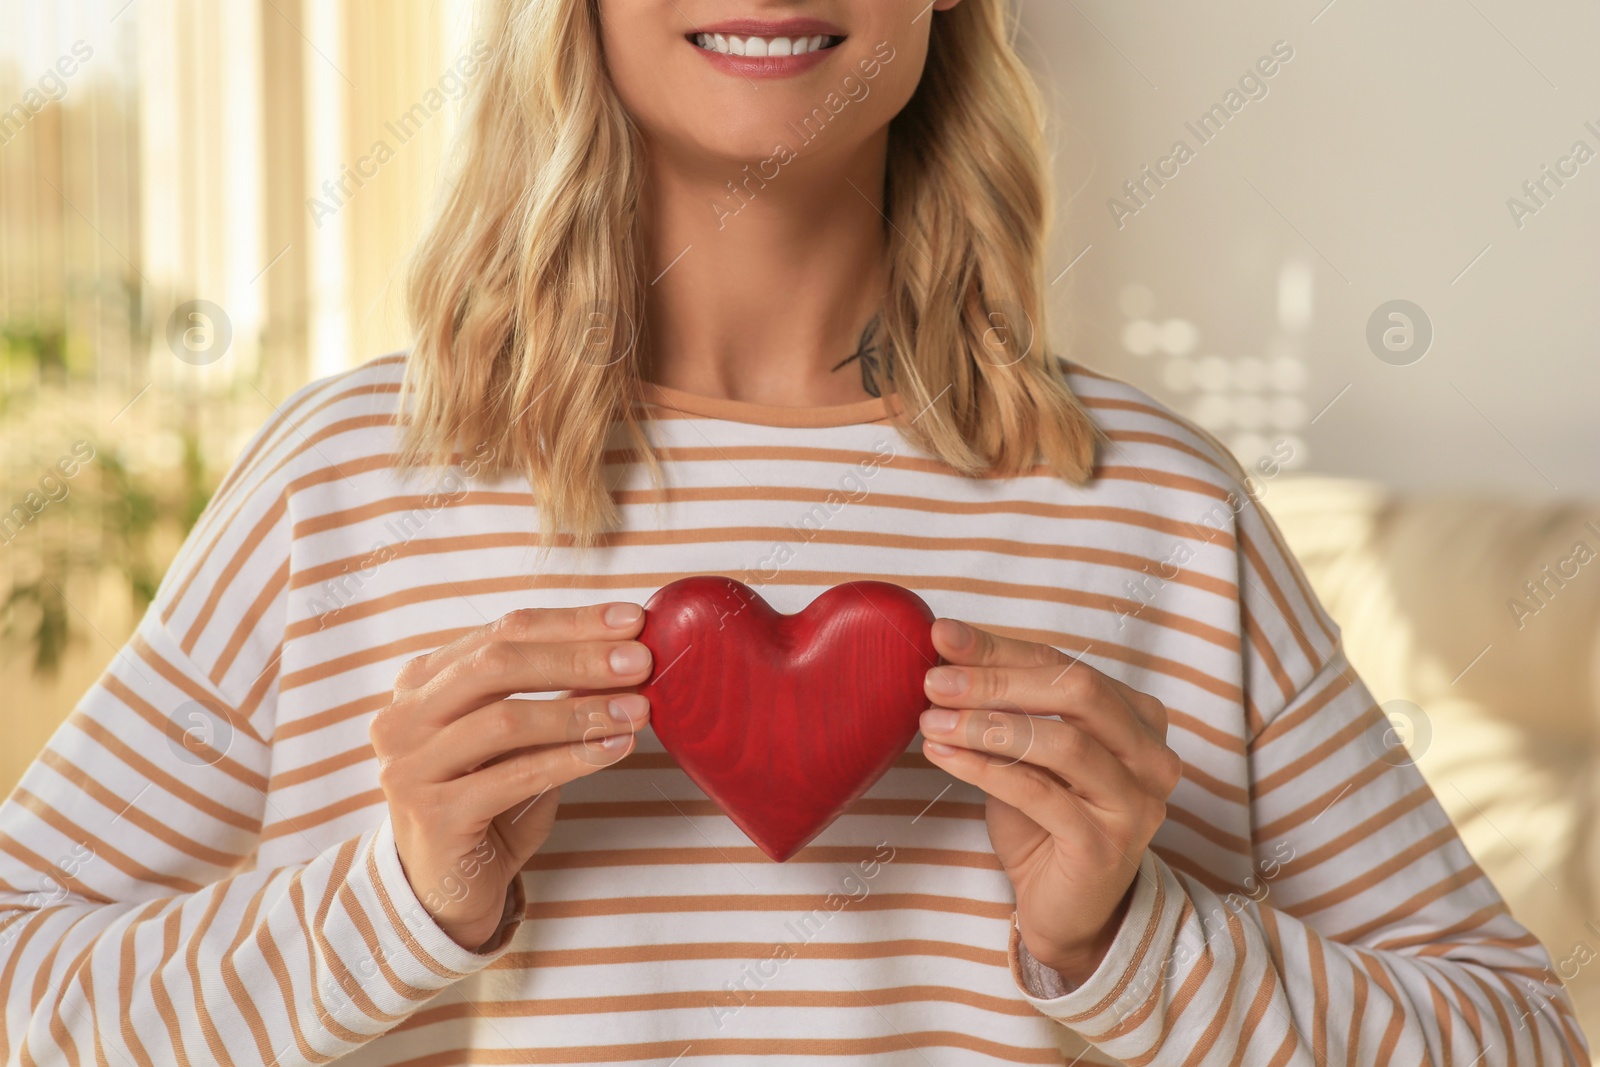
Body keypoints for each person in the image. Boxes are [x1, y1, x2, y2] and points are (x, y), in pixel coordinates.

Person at [0, 0, 1587, 1063]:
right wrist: (401, 898)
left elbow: (1517, 1036)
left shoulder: (1155, 507)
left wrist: (1131, 937)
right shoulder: (342, 484)